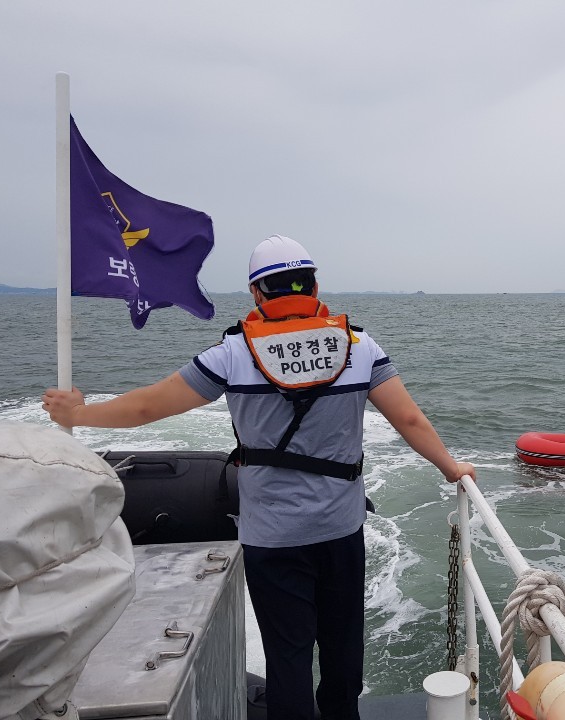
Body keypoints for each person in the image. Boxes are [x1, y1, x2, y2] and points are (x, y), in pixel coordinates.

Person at [42, 234, 476, 720]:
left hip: (272, 536)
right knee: (342, 648)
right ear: (313, 284)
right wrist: (450, 468)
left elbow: (146, 406)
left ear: (257, 294)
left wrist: (79, 414)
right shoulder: (357, 346)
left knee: (288, 656)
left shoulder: (231, 355)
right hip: (341, 528)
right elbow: (410, 421)